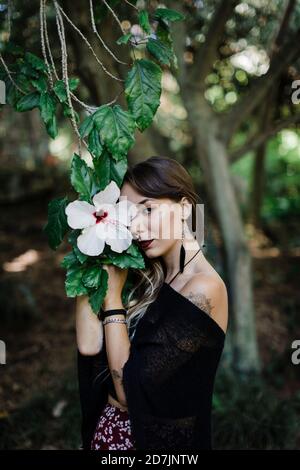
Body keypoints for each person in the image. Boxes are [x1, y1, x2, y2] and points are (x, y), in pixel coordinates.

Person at [76, 156, 228, 450]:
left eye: (148, 210)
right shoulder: (145, 275)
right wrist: (90, 251)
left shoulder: (204, 288)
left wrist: (112, 299)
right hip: (107, 438)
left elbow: (128, 393)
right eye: (130, 216)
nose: (138, 228)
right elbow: (89, 346)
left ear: (185, 208)